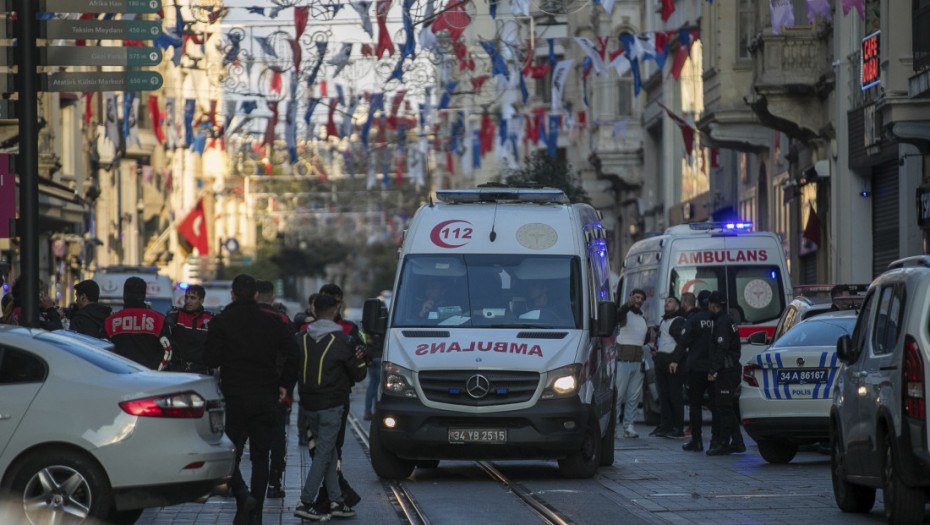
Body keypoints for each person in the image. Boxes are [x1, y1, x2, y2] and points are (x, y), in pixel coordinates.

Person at [203, 274, 298, 525]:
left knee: (229, 453)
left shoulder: (221, 321)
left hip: (234, 395)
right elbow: (294, 354)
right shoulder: (273, 321)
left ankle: (243, 496)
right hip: (265, 395)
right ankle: (255, 513)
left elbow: (210, 359)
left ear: (232, 294)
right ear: (256, 295)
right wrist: (283, 384)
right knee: (260, 456)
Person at [294, 293, 367, 521]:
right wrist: (360, 357)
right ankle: (306, 502)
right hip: (332, 404)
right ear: (336, 311)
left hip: (307, 404)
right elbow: (359, 373)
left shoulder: (300, 338)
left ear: (313, 311)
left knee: (329, 451)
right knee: (325, 453)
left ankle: (337, 501)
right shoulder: (343, 340)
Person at [256, 279, 294, 500]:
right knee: (277, 437)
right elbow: (292, 355)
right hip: (274, 389)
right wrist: (285, 386)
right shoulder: (281, 320)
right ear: (272, 297)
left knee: (244, 436)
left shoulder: (242, 319)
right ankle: (274, 482)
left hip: (246, 388)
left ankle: (234, 483)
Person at [670, 290, 716, 452]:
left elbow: (683, 341)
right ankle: (718, 441)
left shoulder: (694, 319)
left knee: (695, 405)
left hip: (696, 367)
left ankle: (696, 440)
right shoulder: (719, 319)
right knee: (717, 405)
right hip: (715, 367)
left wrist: (675, 360)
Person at [705, 291, 743, 456]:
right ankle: (737, 442)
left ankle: (724, 443)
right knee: (727, 407)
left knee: (723, 408)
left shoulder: (722, 322)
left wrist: (714, 370)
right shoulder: (726, 319)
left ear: (713, 305)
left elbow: (722, 348)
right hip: (730, 368)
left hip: (726, 370)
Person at [104, 277, 171, 370]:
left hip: (120, 375)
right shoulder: (159, 320)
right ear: (144, 295)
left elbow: (102, 352)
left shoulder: (110, 321)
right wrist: (154, 371)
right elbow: (167, 351)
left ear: (124, 295)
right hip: (148, 379)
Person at [649, 296, 687, 439]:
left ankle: (678, 427)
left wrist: (676, 361)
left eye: (670, 301)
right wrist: (656, 352)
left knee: (675, 396)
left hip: (672, 363)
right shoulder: (664, 320)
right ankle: (666, 426)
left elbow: (682, 344)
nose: (666, 303)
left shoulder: (679, 322)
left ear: (677, 306)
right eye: (666, 301)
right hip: (661, 361)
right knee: (664, 396)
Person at [615, 288, 650, 439]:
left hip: (637, 362)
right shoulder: (623, 313)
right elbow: (617, 315)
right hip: (623, 361)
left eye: (641, 298)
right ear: (630, 297)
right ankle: (614, 427)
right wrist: (627, 304)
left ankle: (629, 426)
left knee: (633, 398)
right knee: (618, 396)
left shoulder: (642, 317)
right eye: (636, 297)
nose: (639, 300)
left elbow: (645, 339)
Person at [163, 284, 213, 373]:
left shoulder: (210, 319)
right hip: (178, 368)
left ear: (201, 301)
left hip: (201, 370)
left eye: (192, 298)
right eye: (186, 297)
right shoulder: (176, 314)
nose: (188, 301)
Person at [296, 292, 319, 446]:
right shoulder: (303, 320)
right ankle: (303, 433)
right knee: (304, 404)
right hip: (305, 371)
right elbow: (297, 318)